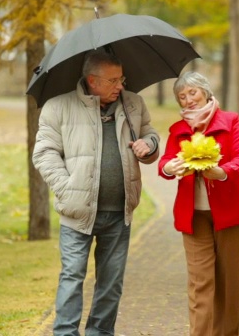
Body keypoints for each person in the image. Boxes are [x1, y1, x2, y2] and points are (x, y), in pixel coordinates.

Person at [33, 49, 160, 336]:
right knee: (72, 276)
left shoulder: (133, 104)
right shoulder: (58, 106)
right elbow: (44, 153)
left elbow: (150, 133)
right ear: (92, 80)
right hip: (77, 212)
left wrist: (149, 146)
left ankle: (100, 333)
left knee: (111, 282)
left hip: (119, 212)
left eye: (122, 78)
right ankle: (65, 333)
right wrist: (67, 189)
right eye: (113, 80)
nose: (120, 86)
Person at [158, 71, 239, 336]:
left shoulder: (230, 120)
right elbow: (164, 163)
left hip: (232, 213)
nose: (188, 100)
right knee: (199, 282)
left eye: (192, 93)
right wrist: (171, 167)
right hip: (193, 216)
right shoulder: (178, 130)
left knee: (227, 281)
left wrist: (222, 172)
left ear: (205, 91)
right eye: (182, 97)